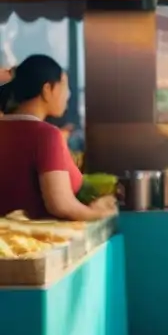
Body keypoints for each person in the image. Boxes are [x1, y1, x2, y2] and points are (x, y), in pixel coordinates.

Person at [0, 55, 116, 221]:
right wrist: (101, 214)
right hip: (38, 241)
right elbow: (61, 205)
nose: (67, 96)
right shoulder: (45, 135)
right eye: (64, 87)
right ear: (47, 89)